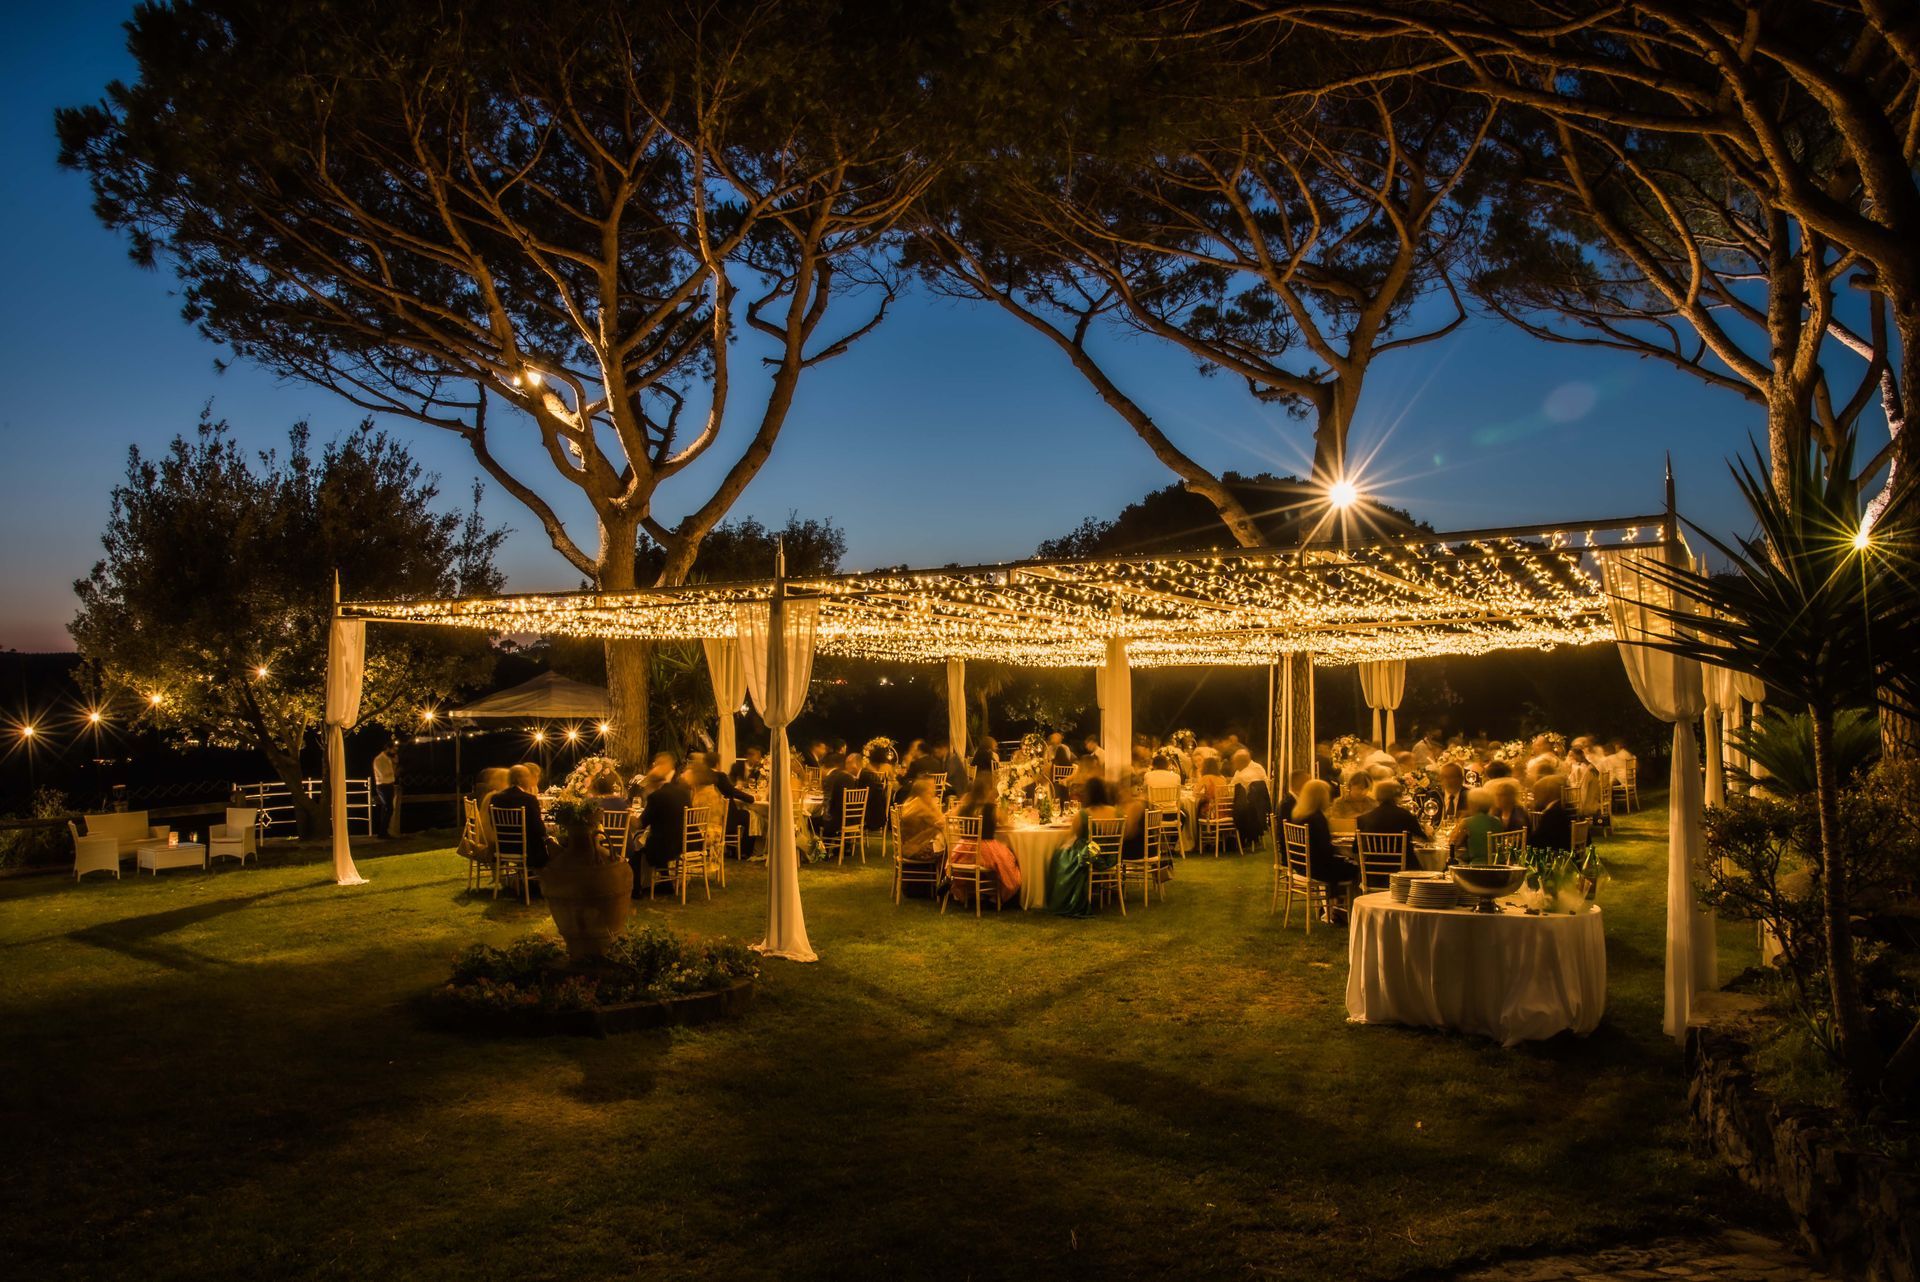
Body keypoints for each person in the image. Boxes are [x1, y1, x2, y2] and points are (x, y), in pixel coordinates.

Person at [1048, 777, 1121, 917]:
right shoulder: (1117, 812)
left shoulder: (1084, 814)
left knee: (1059, 856)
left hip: (1091, 858)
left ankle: (1066, 898)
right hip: (1112, 858)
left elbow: (1071, 835)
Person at [949, 769, 1022, 906]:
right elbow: (1005, 821)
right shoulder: (991, 808)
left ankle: (975, 892)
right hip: (985, 850)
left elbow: (952, 816)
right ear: (989, 789)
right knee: (1010, 863)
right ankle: (993, 894)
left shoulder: (966, 805)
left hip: (964, 851)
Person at [1287, 779, 1359, 917]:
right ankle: (1346, 910)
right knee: (1355, 868)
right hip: (1318, 868)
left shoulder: (1299, 814)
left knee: (1343, 864)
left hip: (1301, 865)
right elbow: (1325, 850)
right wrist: (1340, 851)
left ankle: (1333, 906)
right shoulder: (1317, 818)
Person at [632, 764, 693, 888]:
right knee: (649, 841)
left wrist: (630, 818)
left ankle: (638, 888)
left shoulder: (656, 797)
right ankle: (666, 883)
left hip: (666, 846)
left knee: (637, 851)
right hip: (686, 841)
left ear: (653, 784)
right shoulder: (682, 793)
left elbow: (641, 824)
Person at [1355, 779, 1430, 871]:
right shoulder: (1405, 816)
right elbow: (1424, 839)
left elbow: (1355, 849)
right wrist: (1428, 832)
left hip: (1373, 872)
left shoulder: (1363, 819)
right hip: (1404, 873)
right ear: (1397, 795)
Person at [490, 764, 551, 872]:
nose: (530, 779)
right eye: (527, 776)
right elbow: (539, 829)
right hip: (527, 850)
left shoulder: (496, 798)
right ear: (519, 779)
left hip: (503, 847)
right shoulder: (529, 799)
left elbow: (493, 824)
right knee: (550, 845)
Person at [894, 778, 946, 895]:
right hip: (915, 849)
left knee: (943, 846)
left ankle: (941, 883)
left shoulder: (911, 801)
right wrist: (933, 804)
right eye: (931, 790)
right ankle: (944, 886)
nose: (934, 792)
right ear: (924, 792)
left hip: (908, 846)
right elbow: (941, 821)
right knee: (947, 850)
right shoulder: (920, 806)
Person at [1228, 749, 1272, 848]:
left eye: (1234, 762)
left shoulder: (1242, 775)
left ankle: (1238, 838)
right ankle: (1253, 837)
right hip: (1260, 807)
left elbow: (1230, 790)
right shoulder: (1258, 767)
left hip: (1248, 810)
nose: (1233, 764)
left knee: (1235, 810)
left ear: (1239, 762)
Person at [1449, 788, 1502, 864]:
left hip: (1476, 865)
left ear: (1473, 805)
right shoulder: (1497, 821)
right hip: (1497, 864)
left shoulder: (1467, 822)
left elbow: (1453, 843)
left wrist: (1458, 824)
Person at [1529, 775, 1575, 851]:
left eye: (1537, 792)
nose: (1535, 797)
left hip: (1555, 852)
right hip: (1566, 848)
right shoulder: (1568, 806)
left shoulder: (1553, 813)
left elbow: (1538, 839)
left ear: (1548, 793)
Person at [1487, 778, 1530, 843]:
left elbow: (1520, 836)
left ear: (1510, 797)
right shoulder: (1496, 812)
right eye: (1496, 795)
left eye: (1501, 795)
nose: (1497, 798)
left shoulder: (1519, 813)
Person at [371, 742, 398, 838]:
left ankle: (383, 832)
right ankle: (382, 832)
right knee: (389, 808)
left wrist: (394, 764)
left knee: (386, 808)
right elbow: (385, 774)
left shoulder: (386, 759)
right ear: (388, 749)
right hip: (383, 785)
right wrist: (394, 767)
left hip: (388, 784)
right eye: (393, 749)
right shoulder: (380, 759)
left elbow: (391, 773)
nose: (395, 751)